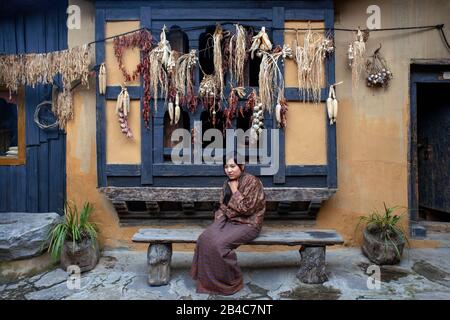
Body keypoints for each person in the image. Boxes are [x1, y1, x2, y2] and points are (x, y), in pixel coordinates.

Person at [190, 152, 266, 295]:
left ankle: (230, 282)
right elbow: (222, 206)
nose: (229, 170)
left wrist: (235, 190)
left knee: (220, 245)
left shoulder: (253, 182)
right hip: (228, 220)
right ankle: (207, 281)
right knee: (204, 238)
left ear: (242, 166)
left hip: (249, 224)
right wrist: (217, 225)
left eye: (233, 166)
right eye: (226, 167)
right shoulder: (227, 183)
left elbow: (248, 209)